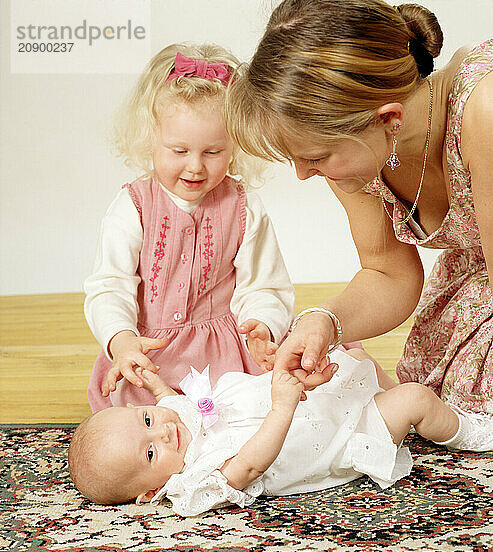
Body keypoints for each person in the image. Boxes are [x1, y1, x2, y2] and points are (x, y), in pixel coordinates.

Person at [225, 0, 493, 417]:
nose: (302, 174)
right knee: (435, 399)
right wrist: (324, 322)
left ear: (388, 117)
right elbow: (389, 272)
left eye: (315, 156)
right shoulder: (366, 151)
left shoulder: (485, 111)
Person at [84, 43, 294, 412]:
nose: (195, 167)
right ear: (151, 140)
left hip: (227, 358)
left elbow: (264, 284)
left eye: (212, 152)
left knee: (252, 414)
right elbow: (110, 286)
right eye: (179, 151)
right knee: (141, 428)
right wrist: (121, 341)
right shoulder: (132, 207)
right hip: (150, 357)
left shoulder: (244, 207)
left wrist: (263, 327)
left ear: (235, 146)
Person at [68, 347, 492, 517]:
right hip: (332, 438)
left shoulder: (172, 421)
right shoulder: (195, 482)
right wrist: (284, 405)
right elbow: (251, 464)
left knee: (356, 356)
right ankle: (471, 433)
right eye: (149, 455)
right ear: (148, 493)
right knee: (415, 399)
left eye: (145, 419)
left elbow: (168, 403)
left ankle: (398, 399)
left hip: (317, 402)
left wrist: (155, 383)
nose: (161, 433)